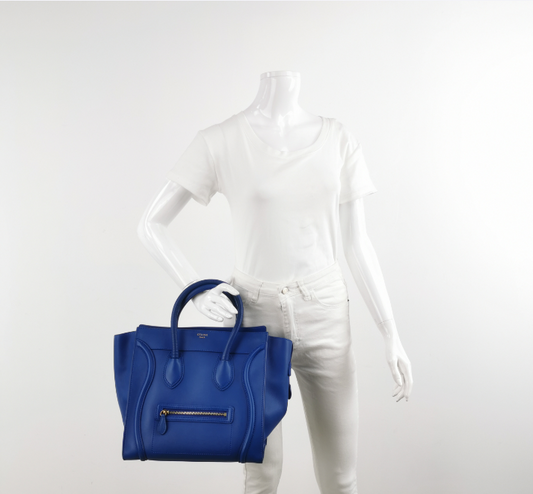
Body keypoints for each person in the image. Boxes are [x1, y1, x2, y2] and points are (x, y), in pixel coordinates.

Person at [138, 70, 413, 494]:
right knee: (262, 476)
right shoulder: (221, 140)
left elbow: (357, 242)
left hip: (325, 313)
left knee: (340, 477)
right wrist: (197, 290)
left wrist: (390, 332)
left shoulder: (338, 139)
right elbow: (150, 224)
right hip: (253, 319)